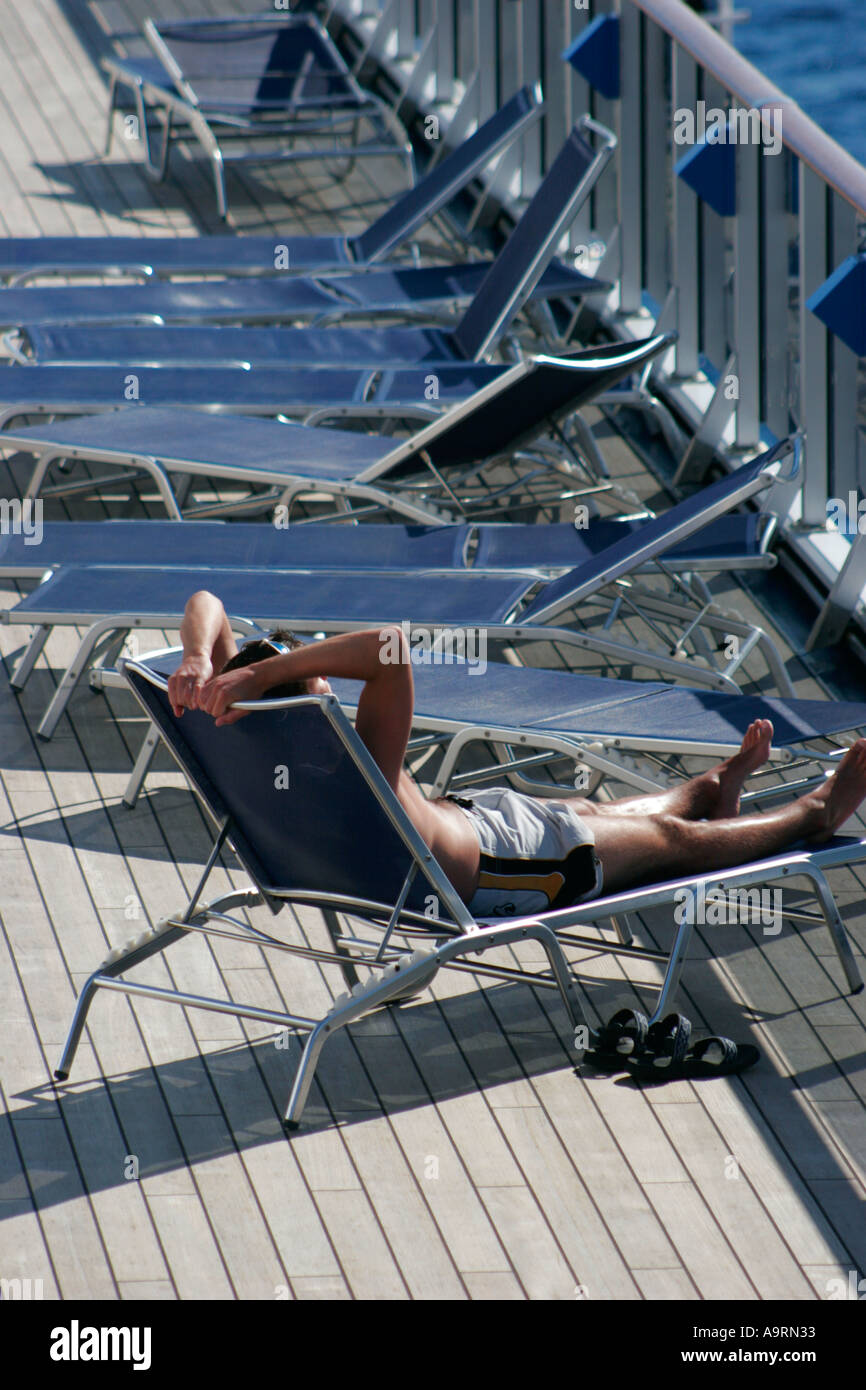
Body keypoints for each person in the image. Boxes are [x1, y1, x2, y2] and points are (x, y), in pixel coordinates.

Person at [168, 591, 866, 920]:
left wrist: (202, 658)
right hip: (516, 868)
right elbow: (388, 649)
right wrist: (258, 674)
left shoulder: (257, 750)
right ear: (305, 705)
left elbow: (207, 601)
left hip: (479, 829)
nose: (327, 680)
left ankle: (709, 787)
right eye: (318, 680)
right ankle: (814, 810)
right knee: (668, 842)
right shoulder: (356, 772)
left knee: (596, 811)